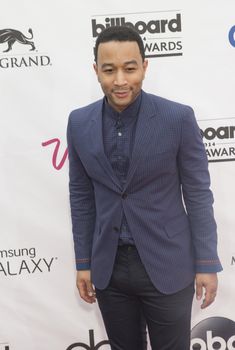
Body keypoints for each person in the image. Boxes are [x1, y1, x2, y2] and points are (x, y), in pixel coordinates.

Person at [67, 26, 222, 350]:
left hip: (168, 263)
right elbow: (81, 196)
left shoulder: (177, 118)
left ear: (145, 66)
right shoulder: (79, 122)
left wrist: (206, 262)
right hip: (109, 268)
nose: (120, 80)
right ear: (96, 71)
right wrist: (84, 262)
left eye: (130, 68)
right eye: (109, 70)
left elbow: (197, 194)